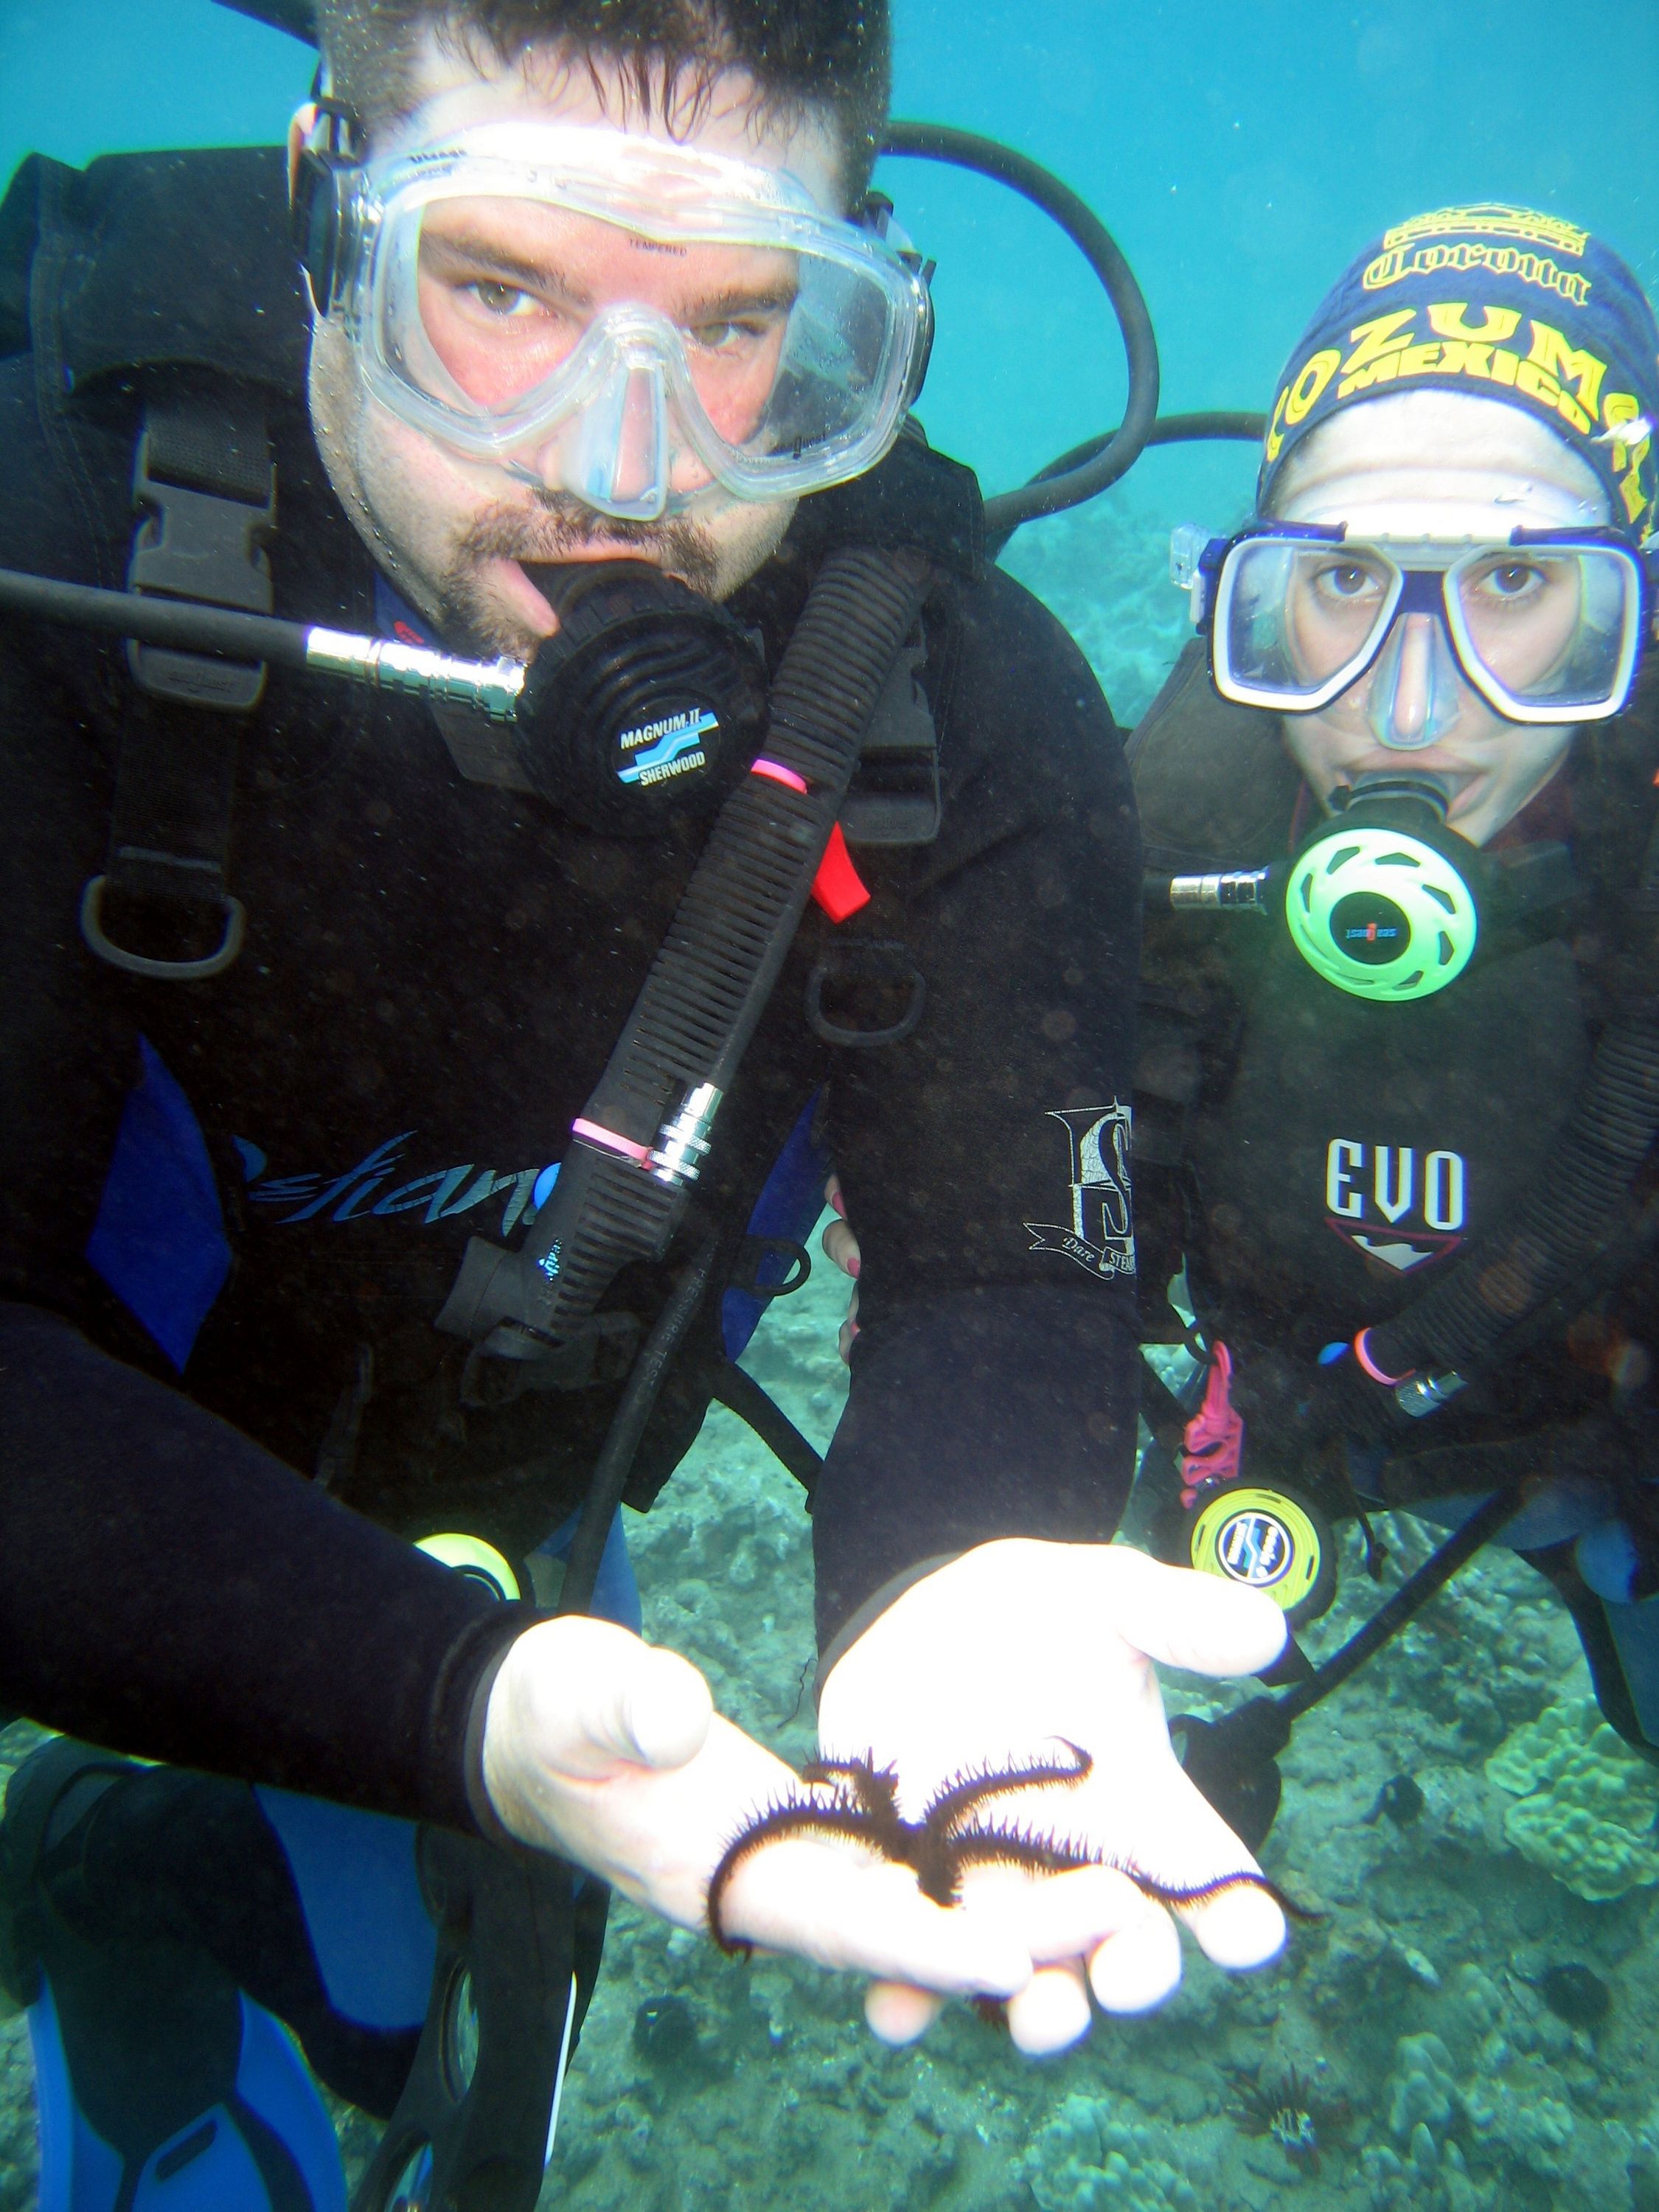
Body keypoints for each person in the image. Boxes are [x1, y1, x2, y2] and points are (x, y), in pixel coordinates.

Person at [0, 0, 1290, 2199]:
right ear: (329, 212)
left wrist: (954, 1572)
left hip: (527, 1496)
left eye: (737, 326)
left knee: (425, 2036)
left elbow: (997, 1271)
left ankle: (149, 1867)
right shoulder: (36, 561)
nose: (625, 466)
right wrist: (455, 1697)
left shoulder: (952, 709)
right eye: (496, 289)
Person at [1119, 204, 1659, 1804]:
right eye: (1345, 578)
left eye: (1515, 580)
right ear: (1258, 592)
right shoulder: (1174, 840)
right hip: (1280, 1421)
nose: (1410, 712)